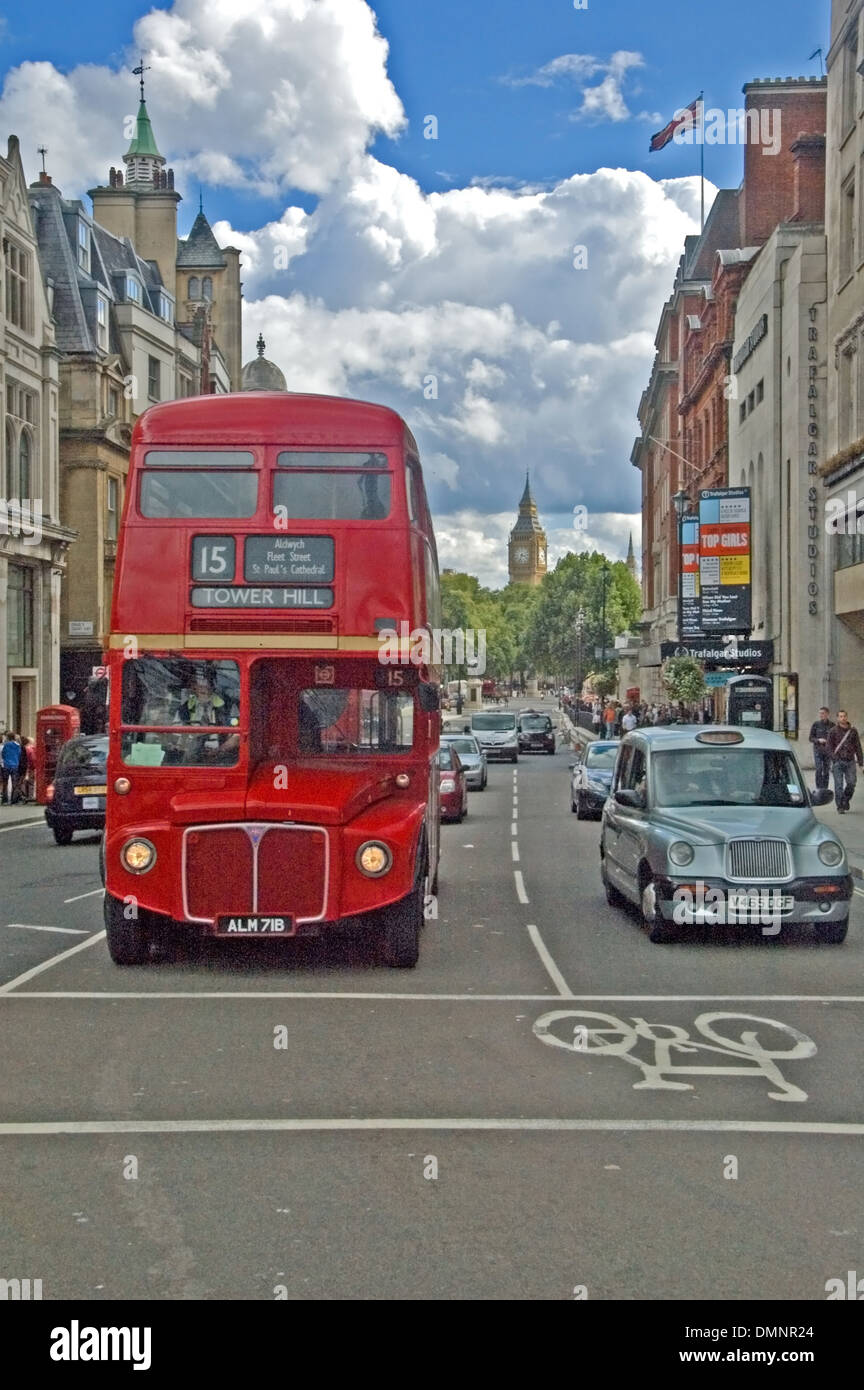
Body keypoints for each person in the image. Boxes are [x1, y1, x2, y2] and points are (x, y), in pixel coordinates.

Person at [826, 711, 863, 813]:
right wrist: (835, 759)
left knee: (851, 783)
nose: (843, 718)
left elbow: (858, 747)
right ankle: (840, 806)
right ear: (838, 718)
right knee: (839, 785)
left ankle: (845, 800)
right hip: (838, 762)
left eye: (844, 716)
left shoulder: (853, 731)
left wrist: (861, 763)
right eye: (840, 716)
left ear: (847, 717)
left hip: (850, 761)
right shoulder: (833, 731)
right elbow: (828, 747)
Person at [808, 706, 834, 793]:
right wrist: (818, 740)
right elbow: (810, 738)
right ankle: (819, 788)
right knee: (819, 769)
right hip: (818, 750)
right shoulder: (816, 724)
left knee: (826, 771)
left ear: (827, 714)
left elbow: (835, 739)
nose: (821, 715)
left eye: (823, 713)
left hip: (827, 751)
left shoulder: (832, 725)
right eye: (820, 713)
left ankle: (825, 789)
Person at [1, 732, 22, 804]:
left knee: (5, 783)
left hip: (6, 765)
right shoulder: (18, 745)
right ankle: (14, 800)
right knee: (14, 783)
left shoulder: (6, 745)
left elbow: (3, 754)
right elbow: (19, 755)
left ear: (8, 737)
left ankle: (5, 800)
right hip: (15, 765)